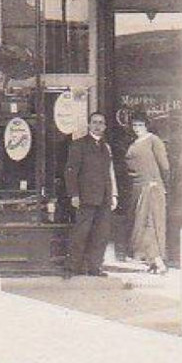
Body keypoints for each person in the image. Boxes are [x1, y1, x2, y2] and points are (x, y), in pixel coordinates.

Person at [62, 112, 118, 277]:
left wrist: (114, 195)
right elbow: (70, 171)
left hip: (104, 198)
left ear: (105, 126)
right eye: (94, 122)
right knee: (81, 233)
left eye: (101, 123)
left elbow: (110, 172)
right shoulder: (79, 145)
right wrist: (74, 194)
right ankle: (72, 268)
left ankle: (95, 267)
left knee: (101, 235)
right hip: (86, 197)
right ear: (89, 125)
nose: (98, 125)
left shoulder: (106, 147)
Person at [124, 114, 170, 273]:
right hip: (137, 187)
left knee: (150, 223)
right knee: (140, 225)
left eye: (140, 125)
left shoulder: (153, 140)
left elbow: (164, 165)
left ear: (147, 126)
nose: (137, 128)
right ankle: (152, 262)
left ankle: (158, 262)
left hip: (151, 186)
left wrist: (161, 183)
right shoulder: (134, 143)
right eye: (135, 125)